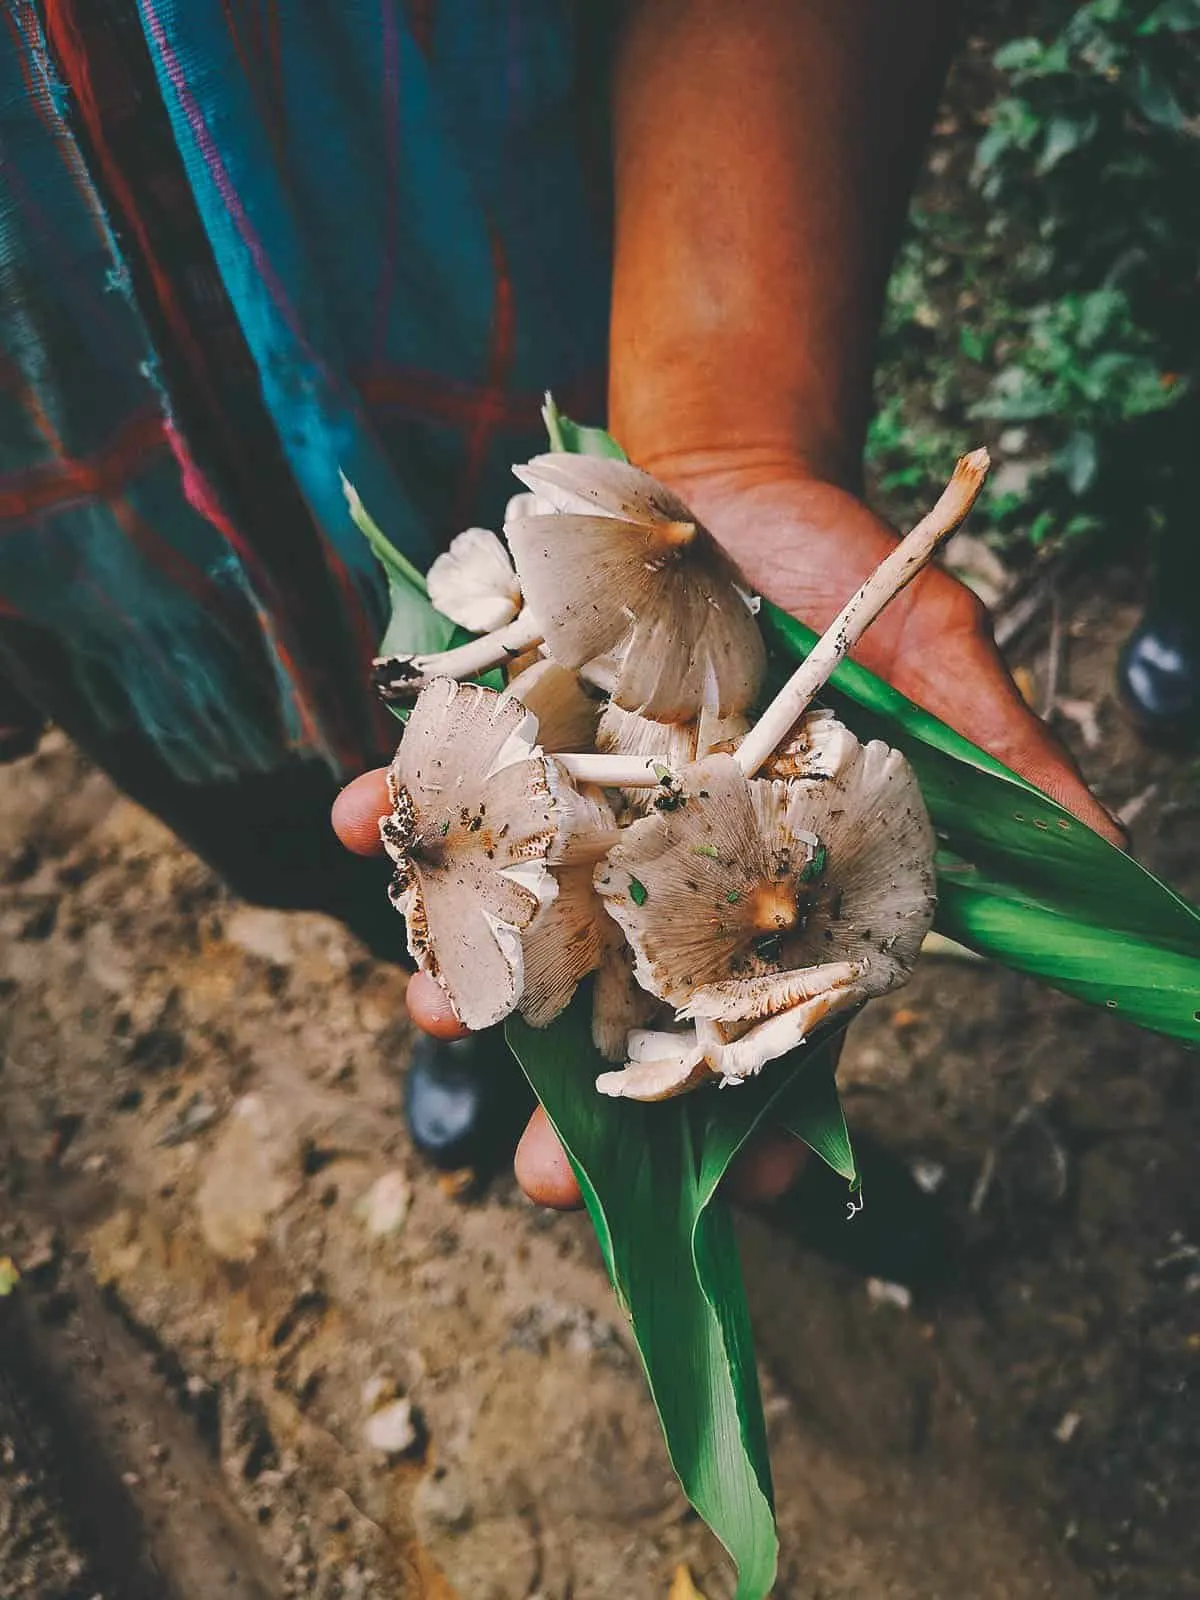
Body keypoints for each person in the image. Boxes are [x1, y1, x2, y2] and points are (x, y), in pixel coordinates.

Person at [2, 3, 1119, 1211]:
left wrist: (729, 437)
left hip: (581, 375)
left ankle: (679, 1094)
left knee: (568, 866)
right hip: (132, 619)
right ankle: (486, 1012)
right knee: (354, 861)